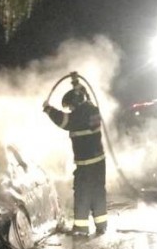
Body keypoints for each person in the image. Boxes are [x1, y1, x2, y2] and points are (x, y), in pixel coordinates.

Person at [43, 86, 108, 236]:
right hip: (99, 162)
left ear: (77, 103)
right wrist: (80, 89)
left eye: (71, 107)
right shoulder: (92, 110)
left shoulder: (80, 115)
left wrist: (48, 109)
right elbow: (81, 110)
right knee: (98, 192)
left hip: (86, 163)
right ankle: (101, 225)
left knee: (82, 193)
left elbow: (64, 121)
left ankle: (81, 228)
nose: (71, 110)